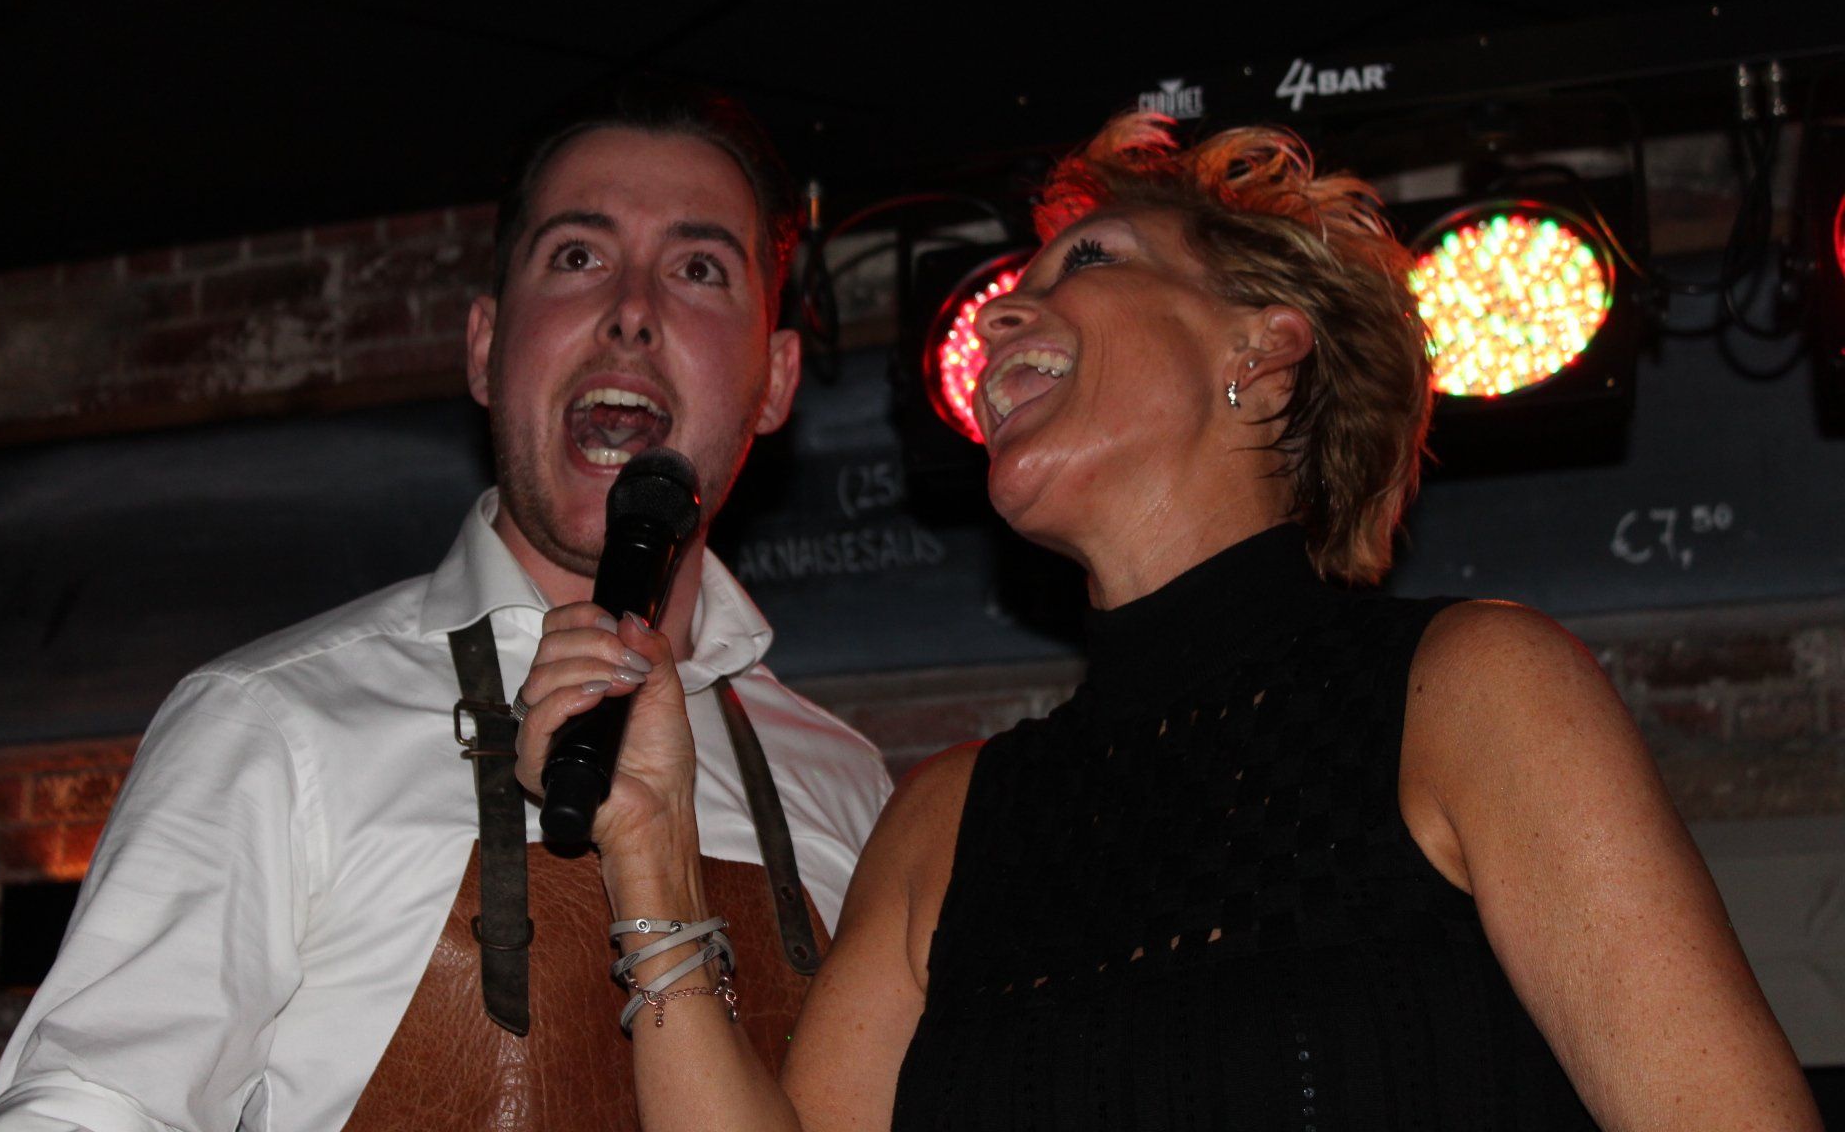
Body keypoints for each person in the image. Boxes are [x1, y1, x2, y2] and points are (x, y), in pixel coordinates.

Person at [514, 113, 1822, 1130]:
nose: (1006, 307)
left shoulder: (1473, 695)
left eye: (1090, 260)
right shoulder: (947, 823)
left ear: (1263, 348)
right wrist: (650, 861)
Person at [0, 83, 894, 1132]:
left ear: (776, 379)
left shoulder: (849, 785)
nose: (633, 308)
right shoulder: (275, 724)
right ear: (485, 346)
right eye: (578, 256)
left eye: (698, 269)